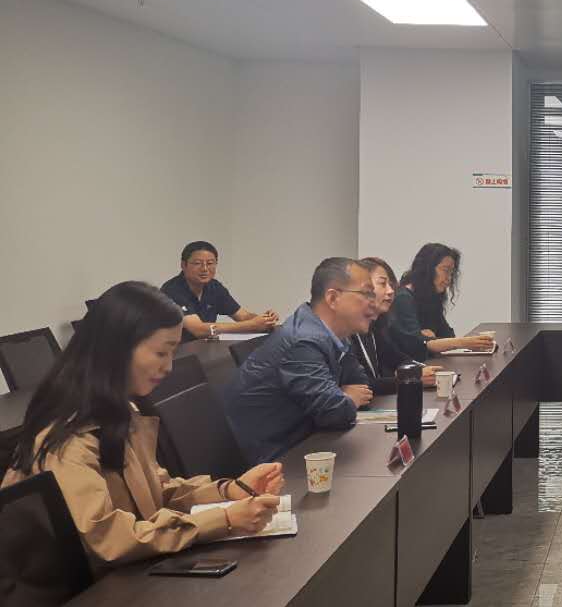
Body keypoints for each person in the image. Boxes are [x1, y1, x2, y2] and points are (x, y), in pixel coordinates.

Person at [3, 281, 283, 568]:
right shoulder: (67, 436)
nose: (169, 367)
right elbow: (107, 538)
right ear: (117, 349)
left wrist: (229, 491)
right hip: (88, 591)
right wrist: (223, 519)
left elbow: (159, 491)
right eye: (161, 353)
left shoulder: (119, 410)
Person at [223, 258, 377, 464]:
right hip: (275, 457)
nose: (374, 302)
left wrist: (343, 396)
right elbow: (333, 412)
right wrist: (346, 397)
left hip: (305, 441)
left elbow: (361, 386)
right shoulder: (304, 340)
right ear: (333, 298)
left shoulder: (334, 333)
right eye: (367, 293)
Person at [351, 256, 437, 394]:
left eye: (391, 285)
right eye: (383, 284)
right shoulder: (346, 332)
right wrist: (410, 378)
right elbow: (359, 385)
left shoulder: (376, 326)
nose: (391, 291)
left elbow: (396, 358)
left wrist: (419, 370)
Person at [160, 241, 279, 340]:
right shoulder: (172, 290)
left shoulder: (214, 287)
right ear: (183, 265)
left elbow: (243, 316)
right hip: (173, 354)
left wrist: (266, 320)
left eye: (210, 263)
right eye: (197, 263)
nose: (205, 269)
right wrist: (252, 325)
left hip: (202, 350)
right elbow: (199, 330)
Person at [390, 243, 480, 356]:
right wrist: (461, 342)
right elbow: (416, 344)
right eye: (445, 270)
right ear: (426, 269)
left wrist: (432, 338)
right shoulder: (403, 298)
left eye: (451, 273)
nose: (449, 278)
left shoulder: (431, 298)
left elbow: (448, 335)